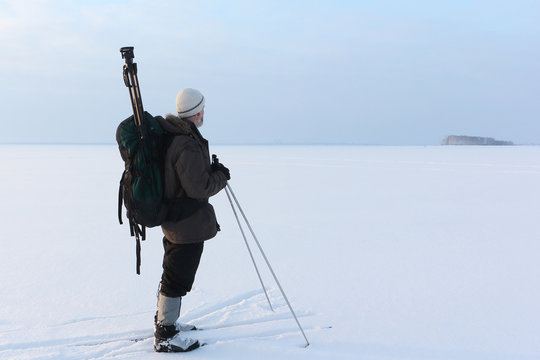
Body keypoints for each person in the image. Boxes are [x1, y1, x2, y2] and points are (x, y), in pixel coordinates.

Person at [153, 88, 230, 352]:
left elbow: (188, 179)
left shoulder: (177, 136)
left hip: (179, 220)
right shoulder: (185, 142)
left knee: (174, 272)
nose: (204, 113)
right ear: (196, 111)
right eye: (203, 108)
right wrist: (220, 176)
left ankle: (167, 322)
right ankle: (165, 334)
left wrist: (212, 170)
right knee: (178, 277)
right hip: (186, 223)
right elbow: (199, 187)